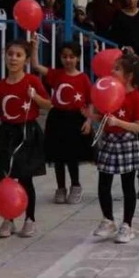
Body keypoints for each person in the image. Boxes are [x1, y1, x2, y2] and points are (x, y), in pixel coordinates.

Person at [0, 40, 51, 238]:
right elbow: (0, 109)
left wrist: (35, 97)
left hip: (27, 133)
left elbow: (48, 104)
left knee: (25, 177)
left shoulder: (32, 81)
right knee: (5, 178)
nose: (13, 58)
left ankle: (30, 219)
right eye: (10, 54)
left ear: (26, 60)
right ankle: (8, 219)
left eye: (18, 55)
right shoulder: (1, 84)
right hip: (6, 134)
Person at [90, 53, 139, 244]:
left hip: (127, 142)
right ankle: (108, 220)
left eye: (117, 69)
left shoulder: (136, 97)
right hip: (109, 141)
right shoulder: (109, 92)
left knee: (127, 185)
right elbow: (104, 118)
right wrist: (92, 116)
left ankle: (127, 225)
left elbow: (138, 126)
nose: (112, 72)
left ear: (129, 75)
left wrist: (119, 122)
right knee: (103, 183)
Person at [30, 40, 91, 205]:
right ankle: (61, 188)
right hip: (57, 119)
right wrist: (34, 48)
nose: (68, 60)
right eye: (64, 56)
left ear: (78, 58)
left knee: (71, 156)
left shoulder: (83, 78)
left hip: (75, 120)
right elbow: (35, 65)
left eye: (72, 57)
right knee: (58, 157)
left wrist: (89, 120)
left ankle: (76, 186)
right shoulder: (56, 74)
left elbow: (91, 101)